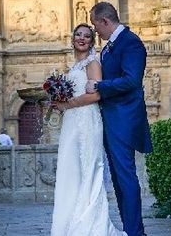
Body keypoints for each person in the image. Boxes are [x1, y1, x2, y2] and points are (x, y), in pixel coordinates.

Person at [50, 24, 126, 236]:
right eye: (78, 35)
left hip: (87, 120)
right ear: (72, 38)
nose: (82, 38)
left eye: (87, 36)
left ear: (92, 41)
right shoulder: (75, 67)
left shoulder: (93, 63)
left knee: (88, 170)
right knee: (72, 171)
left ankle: (89, 226)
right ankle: (71, 223)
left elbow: (96, 95)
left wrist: (67, 104)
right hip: (72, 122)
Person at [86, 1, 152, 236]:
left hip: (123, 119)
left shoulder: (130, 43)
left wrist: (100, 86)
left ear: (105, 21)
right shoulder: (110, 47)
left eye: (96, 26)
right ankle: (131, 230)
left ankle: (136, 233)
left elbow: (132, 80)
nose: (96, 32)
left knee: (125, 176)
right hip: (112, 118)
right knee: (119, 178)